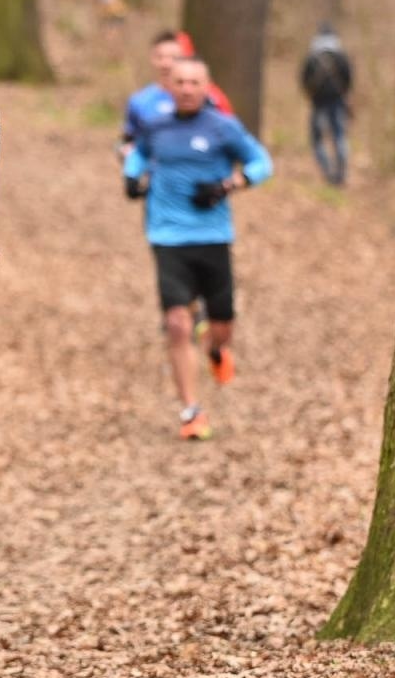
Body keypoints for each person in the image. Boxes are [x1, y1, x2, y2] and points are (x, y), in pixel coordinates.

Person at [123, 57, 271, 440]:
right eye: (181, 82)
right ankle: (192, 410)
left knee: (222, 326)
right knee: (176, 323)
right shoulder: (155, 127)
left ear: (207, 87)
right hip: (168, 237)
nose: (187, 89)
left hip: (213, 236)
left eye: (195, 82)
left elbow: (261, 162)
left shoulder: (223, 127)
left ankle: (216, 348)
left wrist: (229, 186)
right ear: (169, 87)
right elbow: (137, 155)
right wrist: (131, 177)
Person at [117, 30, 234, 162]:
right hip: (152, 178)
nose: (166, 64)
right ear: (152, 59)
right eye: (160, 57)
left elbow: (232, 138)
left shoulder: (208, 98)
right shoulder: (140, 101)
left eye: (173, 57)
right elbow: (127, 141)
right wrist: (127, 155)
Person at [300, 22, 353, 185]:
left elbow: (304, 80)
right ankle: (341, 172)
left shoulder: (312, 57)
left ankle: (328, 172)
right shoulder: (340, 56)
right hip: (337, 102)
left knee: (318, 140)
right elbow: (349, 79)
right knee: (339, 136)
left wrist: (311, 93)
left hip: (318, 103)